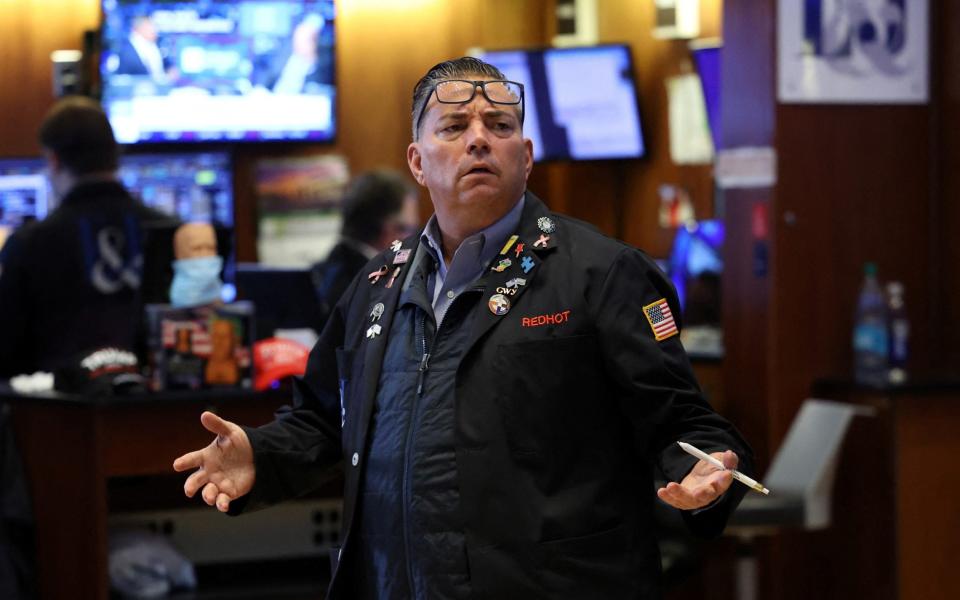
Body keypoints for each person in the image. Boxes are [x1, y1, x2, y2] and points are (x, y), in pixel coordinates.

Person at [174, 57, 754, 600]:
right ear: (417, 162)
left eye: (499, 124)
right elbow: (324, 419)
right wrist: (261, 454)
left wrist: (704, 471)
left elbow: (681, 424)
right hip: (396, 582)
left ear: (525, 156)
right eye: (453, 126)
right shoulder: (378, 283)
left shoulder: (601, 273)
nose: (479, 138)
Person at [0, 96, 175, 378]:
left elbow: (7, 354)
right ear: (114, 154)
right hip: (155, 413)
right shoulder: (173, 232)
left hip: (55, 415)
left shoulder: (29, 245)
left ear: (53, 160)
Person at [310, 169, 419, 325]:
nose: (413, 240)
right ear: (388, 229)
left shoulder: (320, 272)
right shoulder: (378, 288)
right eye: (409, 229)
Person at [113, 15, 173, 84]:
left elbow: (167, 66)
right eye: (149, 27)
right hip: (134, 91)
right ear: (139, 28)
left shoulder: (157, 45)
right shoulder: (125, 50)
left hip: (161, 89)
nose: (154, 30)